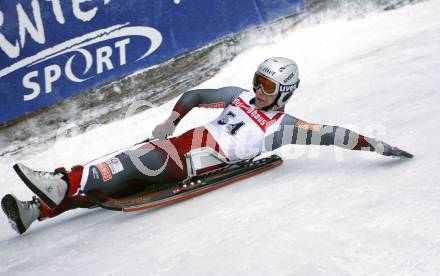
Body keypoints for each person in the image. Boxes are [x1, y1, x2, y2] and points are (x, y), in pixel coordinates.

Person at [1, 57, 413, 235]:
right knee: (111, 186)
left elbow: (333, 134)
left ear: (284, 91)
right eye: (257, 80)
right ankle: (33, 210)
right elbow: (197, 95)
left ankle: (61, 180)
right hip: (177, 145)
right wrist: (171, 119)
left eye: (267, 86)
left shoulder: (284, 126)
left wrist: (378, 145)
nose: (258, 89)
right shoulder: (236, 96)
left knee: (122, 164)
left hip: (190, 160)